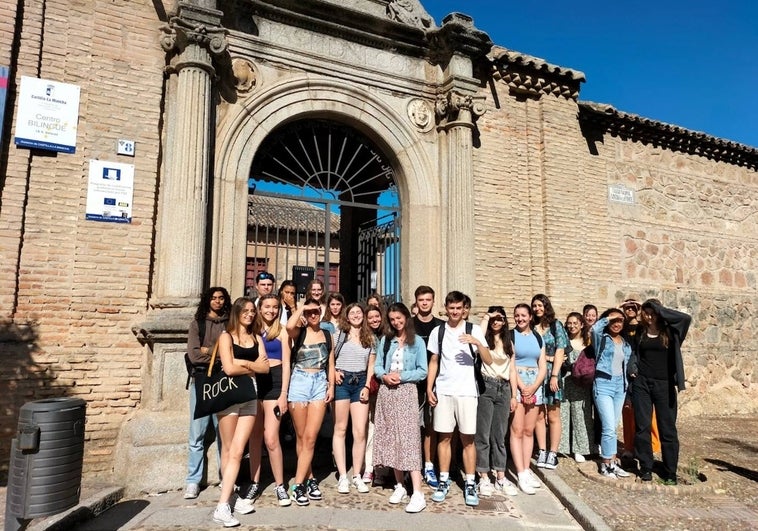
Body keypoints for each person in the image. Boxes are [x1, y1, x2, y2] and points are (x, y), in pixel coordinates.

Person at [426, 291, 491, 507]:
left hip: (467, 392)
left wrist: (477, 343)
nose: (454, 312)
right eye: (451, 308)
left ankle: (470, 482)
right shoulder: (439, 331)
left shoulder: (474, 330)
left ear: (464, 309)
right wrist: (429, 388)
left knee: (467, 439)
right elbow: (434, 360)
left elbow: (489, 359)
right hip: (444, 390)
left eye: (458, 308)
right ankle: (443, 479)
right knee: (444, 437)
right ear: (446, 308)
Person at [212, 297, 270, 527]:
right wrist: (251, 364)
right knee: (229, 449)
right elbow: (227, 367)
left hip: (250, 395)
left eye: (252, 311)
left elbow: (265, 367)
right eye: (245, 310)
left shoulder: (256, 337)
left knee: (238, 450)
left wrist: (244, 364)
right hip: (229, 396)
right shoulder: (226, 336)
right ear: (237, 312)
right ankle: (225, 503)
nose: (250, 314)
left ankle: (226, 501)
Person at [374, 303, 429, 513]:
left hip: (406, 392)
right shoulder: (386, 340)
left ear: (406, 316)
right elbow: (378, 365)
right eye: (393, 319)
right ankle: (399, 485)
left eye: (399, 318)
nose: (396, 322)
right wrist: (384, 376)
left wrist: (402, 376)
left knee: (409, 439)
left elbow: (422, 371)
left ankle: (418, 492)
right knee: (392, 438)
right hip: (387, 393)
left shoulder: (418, 343)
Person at [629, 299, 691, 485]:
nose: (649, 316)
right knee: (643, 426)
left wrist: (661, 310)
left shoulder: (671, 332)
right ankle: (646, 467)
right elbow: (634, 353)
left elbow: (685, 318)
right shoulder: (639, 331)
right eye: (646, 312)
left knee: (668, 429)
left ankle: (670, 470)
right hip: (642, 383)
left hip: (664, 385)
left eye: (652, 312)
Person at [244, 294, 292, 508]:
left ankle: (280, 485)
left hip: (275, 382)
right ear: (260, 308)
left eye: (275, 307)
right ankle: (254, 482)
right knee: (254, 437)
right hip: (255, 382)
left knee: (271, 438)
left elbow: (287, 364)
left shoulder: (282, 331)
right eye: (267, 307)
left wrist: (284, 394)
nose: (271, 311)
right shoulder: (251, 330)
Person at [286, 299, 336, 505]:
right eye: (310, 312)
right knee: (301, 436)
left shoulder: (327, 334)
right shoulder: (300, 331)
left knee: (310, 437)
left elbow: (331, 362)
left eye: (316, 311)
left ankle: (297, 485)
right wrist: (301, 309)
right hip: (299, 382)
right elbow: (289, 326)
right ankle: (310, 478)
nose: (313, 315)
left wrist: (331, 385)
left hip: (318, 383)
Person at [185, 287, 231, 500]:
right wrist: (219, 353)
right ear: (207, 300)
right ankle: (193, 481)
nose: (218, 302)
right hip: (202, 381)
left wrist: (209, 350)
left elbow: (234, 352)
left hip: (224, 381)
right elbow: (194, 356)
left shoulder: (230, 323)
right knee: (197, 433)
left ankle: (226, 477)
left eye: (221, 298)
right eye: (213, 298)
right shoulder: (198, 324)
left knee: (224, 433)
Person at [475, 306, 519, 497]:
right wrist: (487, 316)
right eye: (494, 319)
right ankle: (483, 476)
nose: (496, 322)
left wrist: (514, 395)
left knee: (499, 436)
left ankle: (500, 476)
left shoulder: (509, 343)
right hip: (487, 386)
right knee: (483, 434)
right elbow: (479, 333)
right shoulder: (484, 339)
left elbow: (512, 370)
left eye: (500, 318)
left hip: (504, 388)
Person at [333, 303, 376, 494]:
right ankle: (343, 475)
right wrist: (333, 372)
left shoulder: (370, 338)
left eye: (359, 312)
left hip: (360, 383)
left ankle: (357, 475)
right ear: (347, 316)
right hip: (342, 382)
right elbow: (329, 358)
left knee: (359, 432)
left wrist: (367, 385)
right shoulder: (338, 335)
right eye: (352, 313)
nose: (356, 315)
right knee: (340, 428)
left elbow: (371, 366)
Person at [591, 308, 633, 479]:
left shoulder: (625, 342)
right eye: (613, 321)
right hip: (603, 384)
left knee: (613, 427)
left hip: (619, 386)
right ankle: (605, 464)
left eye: (620, 320)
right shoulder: (601, 338)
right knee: (608, 426)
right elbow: (594, 329)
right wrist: (608, 317)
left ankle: (613, 462)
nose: (616, 323)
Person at [510, 303, 547, 494]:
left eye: (523, 315)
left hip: (534, 386)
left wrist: (533, 387)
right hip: (518, 384)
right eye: (516, 315)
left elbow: (542, 366)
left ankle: (526, 469)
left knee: (528, 430)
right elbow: (512, 363)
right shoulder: (511, 336)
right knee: (517, 429)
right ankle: (520, 472)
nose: (520, 319)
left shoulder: (538, 337)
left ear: (530, 317)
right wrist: (522, 388)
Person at [411, 285, 444, 488]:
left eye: (428, 300)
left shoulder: (441, 326)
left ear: (433, 301)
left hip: (436, 383)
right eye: (421, 300)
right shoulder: (408, 325)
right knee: (413, 427)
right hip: (413, 384)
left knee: (431, 428)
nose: (424, 303)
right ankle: (411, 465)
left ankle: (429, 465)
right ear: (416, 302)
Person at [620, 298, 661, 459]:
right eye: (627, 307)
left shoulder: (643, 328)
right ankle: (629, 446)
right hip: (624, 373)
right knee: (628, 411)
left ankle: (653, 445)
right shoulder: (620, 327)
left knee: (647, 412)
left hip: (640, 372)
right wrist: (619, 307)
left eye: (633, 307)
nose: (630, 309)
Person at [531, 294, 569, 470]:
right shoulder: (531, 327)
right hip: (536, 374)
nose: (538, 308)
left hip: (552, 374)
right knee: (538, 414)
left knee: (553, 415)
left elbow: (561, 350)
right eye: (535, 306)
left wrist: (554, 375)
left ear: (546, 306)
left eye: (540, 305)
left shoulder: (556, 326)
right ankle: (542, 450)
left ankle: (553, 453)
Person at [558, 312, 594, 462]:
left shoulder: (588, 342)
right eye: (569, 323)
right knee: (563, 414)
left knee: (580, 415)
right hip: (565, 380)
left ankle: (581, 448)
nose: (572, 326)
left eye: (575, 323)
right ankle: (562, 447)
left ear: (581, 325)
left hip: (581, 383)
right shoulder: (563, 342)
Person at [362, 304, 387, 485]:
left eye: (377, 317)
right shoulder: (364, 338)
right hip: (370, 387)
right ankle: (370, 467)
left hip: (386, 386)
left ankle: (383, 468)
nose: (374, 320)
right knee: (371, 428)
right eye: (370, 318)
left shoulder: (388, 336)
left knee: (385, 428)